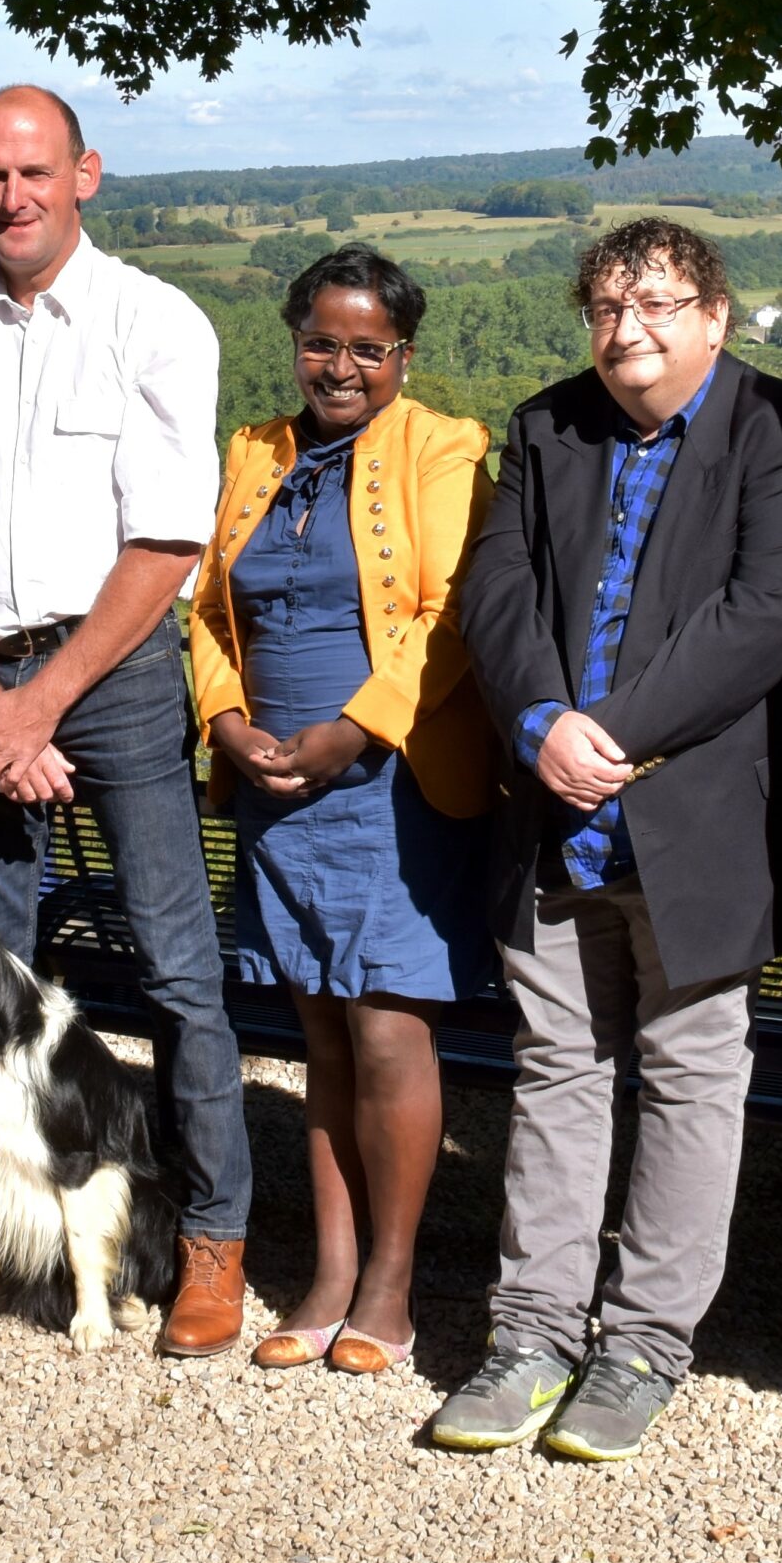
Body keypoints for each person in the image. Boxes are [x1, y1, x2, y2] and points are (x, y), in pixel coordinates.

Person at [441, 218, 782, 1460]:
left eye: (660, 304)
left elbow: (760, 618)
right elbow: (494, 593)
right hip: (553, 813)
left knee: (687, 1078)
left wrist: (605, 734)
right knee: (557, 1074)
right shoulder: (546, 424)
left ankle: (645, 1344)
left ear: (714, 316)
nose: (631, 331)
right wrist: (541, 724)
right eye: (609, 308)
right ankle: (531, 1336)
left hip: (696, 816)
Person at [0, 85, 254, 1355]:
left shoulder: (157, 321)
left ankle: (210, 1241)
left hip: (121, 674)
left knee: (177, 975)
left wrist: (42, 702)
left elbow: (165, 540)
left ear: (86, 174)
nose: (13, 197)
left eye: (36, 171)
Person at [189, 246, 496, 1375]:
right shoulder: (253, 451)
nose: (341, 366)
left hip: (391, 779)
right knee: (315, 1024)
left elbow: (450, 611)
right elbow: (210, 613)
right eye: (322, 341)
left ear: (402, 356)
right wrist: (225, 721)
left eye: (368, 348)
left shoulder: (444, 448)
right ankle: (325, 1268)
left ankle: (389, 1286)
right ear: (295, 341)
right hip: (274, 783)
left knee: (384, 1027)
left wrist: (353, 730)